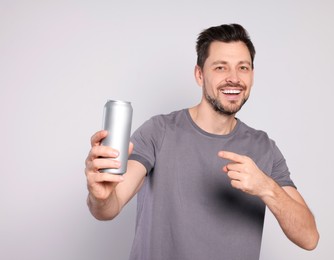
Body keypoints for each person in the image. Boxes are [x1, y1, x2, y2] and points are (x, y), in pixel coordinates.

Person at [85, 23, 319, 260]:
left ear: (252, 75)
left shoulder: (264, 147)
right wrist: (100, 196)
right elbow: (109, 208)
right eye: (220, 67)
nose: (234, 78)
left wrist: (266, 187)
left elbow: (309, 238)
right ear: (199, 74)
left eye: (243, 68)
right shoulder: (159, 131)